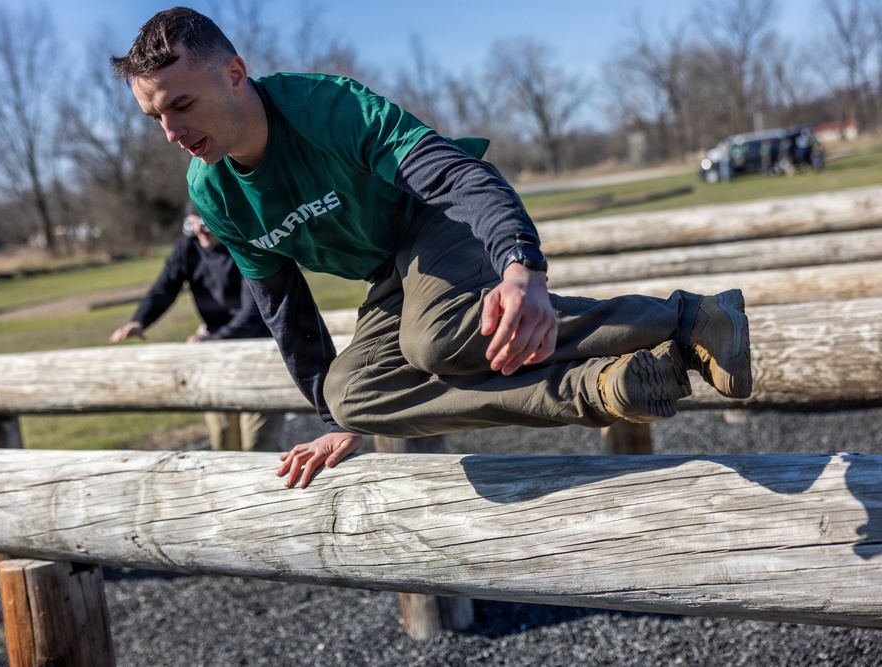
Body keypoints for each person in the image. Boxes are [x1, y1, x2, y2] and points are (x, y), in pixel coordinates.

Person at [111, 7, 753, 489]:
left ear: (234, 73)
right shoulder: (215, 191)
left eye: (182, 105)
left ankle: (683, 317)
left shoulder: (326, 109)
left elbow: (453, 176)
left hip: (443, 219)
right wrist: (337, 422)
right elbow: (287, 314)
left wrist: (520, 267)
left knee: (435, 339)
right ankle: (615, 379)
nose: (171, 131)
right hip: (393, 273)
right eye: (156, 117)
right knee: (352, 397)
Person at [109, 204, 285, 452]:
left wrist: (217, 336)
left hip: (259, 348)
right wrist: (139, 321)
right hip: (215, 349)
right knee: (224, 442)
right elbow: (163, 289)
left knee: (259, 443)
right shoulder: (187, 248)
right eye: (192, 223)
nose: (199, 231)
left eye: (205, 223)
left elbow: (255, 311)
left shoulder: (246, 245)